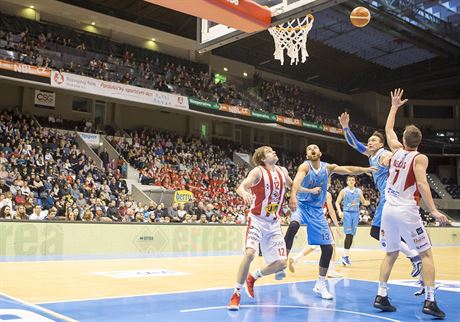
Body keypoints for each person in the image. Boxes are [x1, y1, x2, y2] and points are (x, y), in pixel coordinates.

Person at [373, 88, 449, 318]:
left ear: (403, 140)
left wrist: (394, 107)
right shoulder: (420, 158)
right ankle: (429, 300)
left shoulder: (394, 151)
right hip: (407, 211)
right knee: (425, 254)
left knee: (391, 254)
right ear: (419, 142)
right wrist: (434, 210)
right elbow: (423, 184)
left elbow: (388, 130)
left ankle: (381, 295)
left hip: (388, 209)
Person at [338, 111, 422, 277]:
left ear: (381, 144)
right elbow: (354, 143)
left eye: (374, 140)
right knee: (390, 233)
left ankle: (415, 256)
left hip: (389, 197)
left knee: (376, 232)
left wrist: (391, 159)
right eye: (369, 140)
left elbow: (394, 159)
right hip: (388, 198)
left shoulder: (384, 154)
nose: (369, 142)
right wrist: (345, 127)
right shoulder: (372, 155)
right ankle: (417, 258)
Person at [288, 144, 375, 300]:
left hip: (316, 211)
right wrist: (293, 196)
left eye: (315, 148)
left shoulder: (328, 168)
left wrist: (365, 169)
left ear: (320, 152)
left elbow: (348, 170)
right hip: (302, 206)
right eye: (309, 149)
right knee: (294, 225)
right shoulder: (304, 166)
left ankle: (321, 284)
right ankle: (282, 261)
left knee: (327, 249)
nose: (312, 150)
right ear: (307, 155)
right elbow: (296, 182)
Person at [227, 146, 291, 311]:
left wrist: (309, 190)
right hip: (257, 219)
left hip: (274, 223)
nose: (274, 152)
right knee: (249, 254)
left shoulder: (282, 171)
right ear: (263, 158)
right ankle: (236, 293)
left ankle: (252, 277)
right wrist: (244, 193)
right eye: (269, 151)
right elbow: (241, 186)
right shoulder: (257, 172)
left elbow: (294, 186)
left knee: (282, 263)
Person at [288, 190, 343, 278]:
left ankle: (295, 259)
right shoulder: (327, 194)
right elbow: (331, 211)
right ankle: (331, 271)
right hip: (321, 222)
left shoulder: (310, 192)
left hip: (311, 220)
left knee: (313, 246)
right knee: (332, 245)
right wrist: (337, 226)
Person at [335, 176, 369, 265]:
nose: (351, 181)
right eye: (349, 180)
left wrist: (366, 203)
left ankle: (345, 256)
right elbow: (337, 202)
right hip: (347, 213)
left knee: (352, 235)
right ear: (347, 182)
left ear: (355, 181)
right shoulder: (343, 191)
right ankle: (345, 256)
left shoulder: (359, 191)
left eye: (353, 180)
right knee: (349, 234)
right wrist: (339, 211)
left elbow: (363, 202)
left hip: (356, 213)